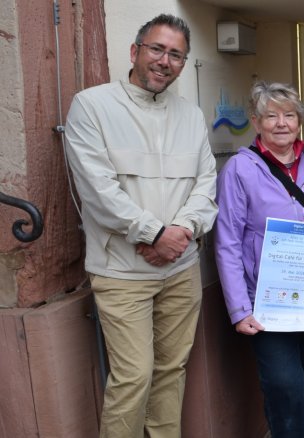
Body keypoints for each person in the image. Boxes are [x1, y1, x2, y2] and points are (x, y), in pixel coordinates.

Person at [63, 14, 216, 437]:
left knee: (171, 370)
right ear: (135, 51)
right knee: (133, 377)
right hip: (122, 271)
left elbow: (206, 183)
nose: (165, 61)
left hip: (181, 268)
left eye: (176, 55)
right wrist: (154, 234)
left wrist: (181, 232)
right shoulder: (92, 106)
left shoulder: (190, 115)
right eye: (157, 49)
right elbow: (98, 191)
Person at [215, 81, 304, 438]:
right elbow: (227, 242)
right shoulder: (240, 169)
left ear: (299, 122)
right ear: (256, 121)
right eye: (271, 116)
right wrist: (240, 309)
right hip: (266, 301)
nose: (281, 123)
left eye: (289, 115)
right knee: (284, 385)